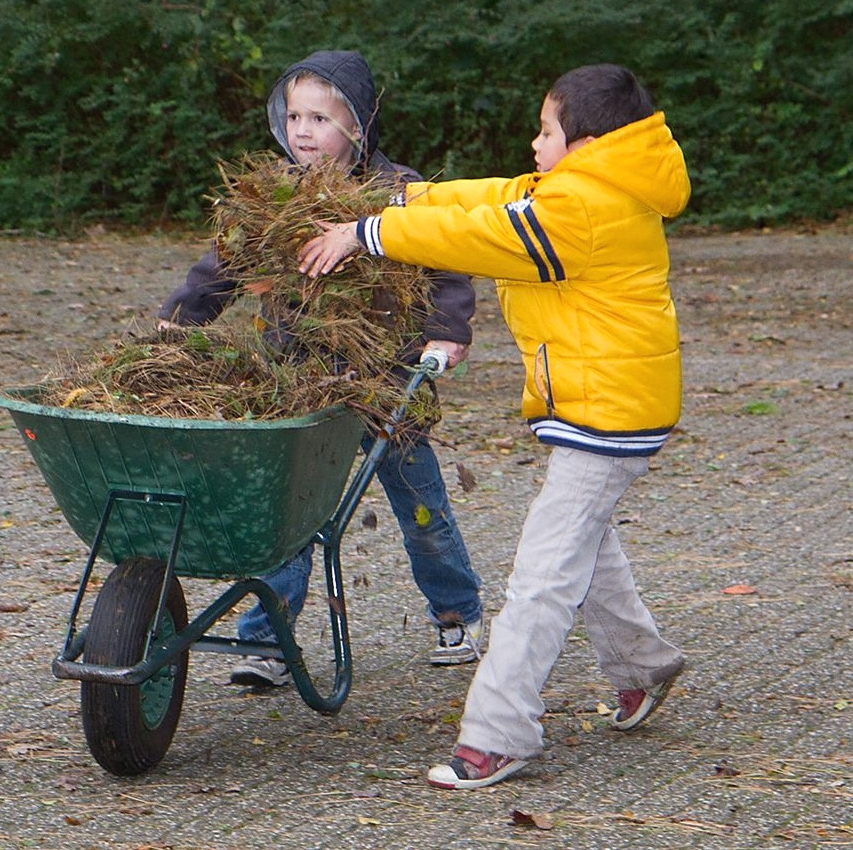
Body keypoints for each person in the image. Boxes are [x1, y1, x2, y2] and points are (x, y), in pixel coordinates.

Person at [298, 63, 689, 788]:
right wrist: (400, 195)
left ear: (589, 141)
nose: (533, 143)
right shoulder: (583, 186)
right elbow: (489, 197)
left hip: (609, 412)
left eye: (545, 131)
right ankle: (643, 665)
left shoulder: (581, 209)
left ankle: (498, 732)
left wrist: (368, 232)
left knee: (543, 574)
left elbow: (483, 236)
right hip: (598, 403)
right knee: (582, 540)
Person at [158, 50, 484, 686]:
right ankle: (268, 641)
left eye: (319, 118)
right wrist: (181, 318)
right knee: (287, 513)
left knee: (421, 507)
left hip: (386, 382)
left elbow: (447, 261)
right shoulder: (275, 196)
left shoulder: (399, 192)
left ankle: (458, 609)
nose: (302, 130)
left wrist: (446, 334)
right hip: (298, 384)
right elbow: (223, 264)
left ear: (358, 126)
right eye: (293, 116)